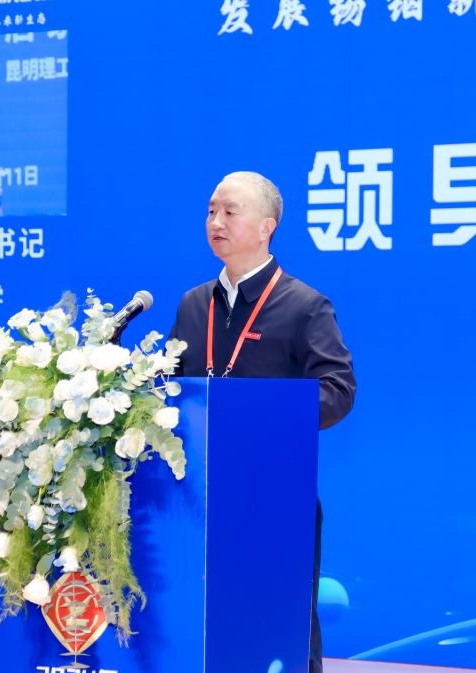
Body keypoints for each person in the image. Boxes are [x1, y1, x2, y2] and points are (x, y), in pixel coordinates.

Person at [169, 171, 356, 673]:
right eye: (211, 211)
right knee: (206, 625)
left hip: (274, 499)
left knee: (280, 628)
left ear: (266, 226)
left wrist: (265, 417)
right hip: (198, 499)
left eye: (230, 212)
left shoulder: (304, 306)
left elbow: (339, 390)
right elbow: (171, 390)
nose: (216, 222)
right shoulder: (193, 305)